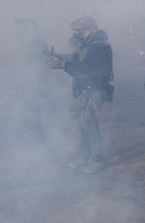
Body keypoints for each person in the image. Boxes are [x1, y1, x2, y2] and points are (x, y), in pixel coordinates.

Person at [47, 16, 114, 173]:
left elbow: (83, 69)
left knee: (89, 123)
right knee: (82, 125)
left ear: (90, 30)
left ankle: (98, 159)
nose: (78, 35)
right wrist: (56, 56)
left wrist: (62, 65)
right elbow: (72, 59)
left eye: (81, 31)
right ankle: (85, 156)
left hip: (95, 90)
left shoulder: (100, 47)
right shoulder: (86, 47)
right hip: (83, 90)